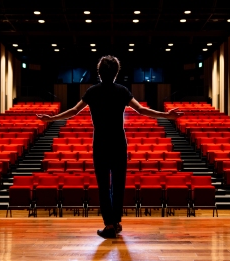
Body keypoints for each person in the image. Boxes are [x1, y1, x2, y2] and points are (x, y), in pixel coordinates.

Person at [37, 55, 182, 238]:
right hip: (118, 141)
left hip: (101, 142)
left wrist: (51, 118)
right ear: (116, 73)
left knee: (104, 185)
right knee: (118, 184)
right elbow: (142, 110)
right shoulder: (122, 91)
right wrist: (168, 115)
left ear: (99, 72)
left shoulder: (92, 91)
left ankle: (109, 225)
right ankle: (116, 222)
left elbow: (73, 111)